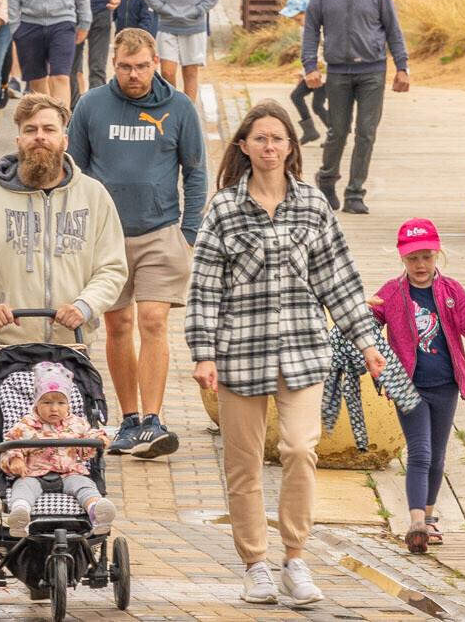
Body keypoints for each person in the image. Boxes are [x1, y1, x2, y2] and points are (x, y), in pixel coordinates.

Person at [188, 102, 385, 608]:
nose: (270, 147)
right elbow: (204, 289)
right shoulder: (224, 210)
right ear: (244, 147)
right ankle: (255, 564)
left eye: (278, 139)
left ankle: (295, 558)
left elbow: (339, 281)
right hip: (239, 354)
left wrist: (366, 341)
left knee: (300, 449)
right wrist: (203, 353)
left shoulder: (314, 206)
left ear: (291, 148)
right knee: (244, 463)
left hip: (302, 352)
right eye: (261, 139)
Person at [68, 28, 206, 460]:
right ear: (114, 64)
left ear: (154, 62)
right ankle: (128, 420)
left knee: (152, 320)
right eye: (125, 67)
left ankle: (153, 419)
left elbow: (196, 171)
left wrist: (189, 232)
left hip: (162, 231)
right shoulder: (92, 105)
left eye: (142, 66)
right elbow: (75, 169)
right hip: (105, 236)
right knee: (118, 325)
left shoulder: (179, 107)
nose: (134, 74)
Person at [0, 92, 128, 346]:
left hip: (72, 342)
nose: (40, 136)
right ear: (19, 139)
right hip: (9, 343)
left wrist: (85, 306)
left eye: (49, 129)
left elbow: (112, 267)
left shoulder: (93, 195)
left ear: (64, 140)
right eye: (30, 129)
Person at [367, 219, 465, 555]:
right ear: (402, 259)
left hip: (445, 384)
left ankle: (429, 516)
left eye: (426, 257)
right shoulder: (392, 293)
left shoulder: (451, 291)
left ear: (437, 254)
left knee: (437, 456)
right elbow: (368, 325)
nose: (420, 265)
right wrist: (362, 316)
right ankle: (415, 523)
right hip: (407, 386)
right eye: (412, 259)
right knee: (420, 452)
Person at [302, 0, 411, 214]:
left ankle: (354, 193)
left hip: (372, 71)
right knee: (338, 131)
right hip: (338, 71)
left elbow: (393, 30)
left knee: (366, 133)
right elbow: (311, 29)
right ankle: (327, 178)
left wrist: (402, 67)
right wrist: (310, 66)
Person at [0, 361, 118, 534]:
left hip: (69, 473)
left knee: (85, 485)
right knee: (22, 488)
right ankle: (20, 516)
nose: (54, 408)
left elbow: (88, 437)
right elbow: (10, 443)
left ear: (68, 404)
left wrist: (98, 438)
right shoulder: (26, 425)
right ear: (36, 403)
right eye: (47, 403)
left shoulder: (76, 424)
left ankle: (96, 511)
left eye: (61, 403)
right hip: (33, 474)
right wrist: (15, 459)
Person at [277, 0, 331, 144]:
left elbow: (322, 52)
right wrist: (303, 73)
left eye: (299, 19)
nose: (298, 23)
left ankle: (335, 134)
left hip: (323, 74)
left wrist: (315, 71)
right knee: (297, 96)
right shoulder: (303, 29)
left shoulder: (321, 29)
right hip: (310, 71)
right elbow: (306, 53)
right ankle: (310, 130)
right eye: (295, 20)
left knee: (317, 105)